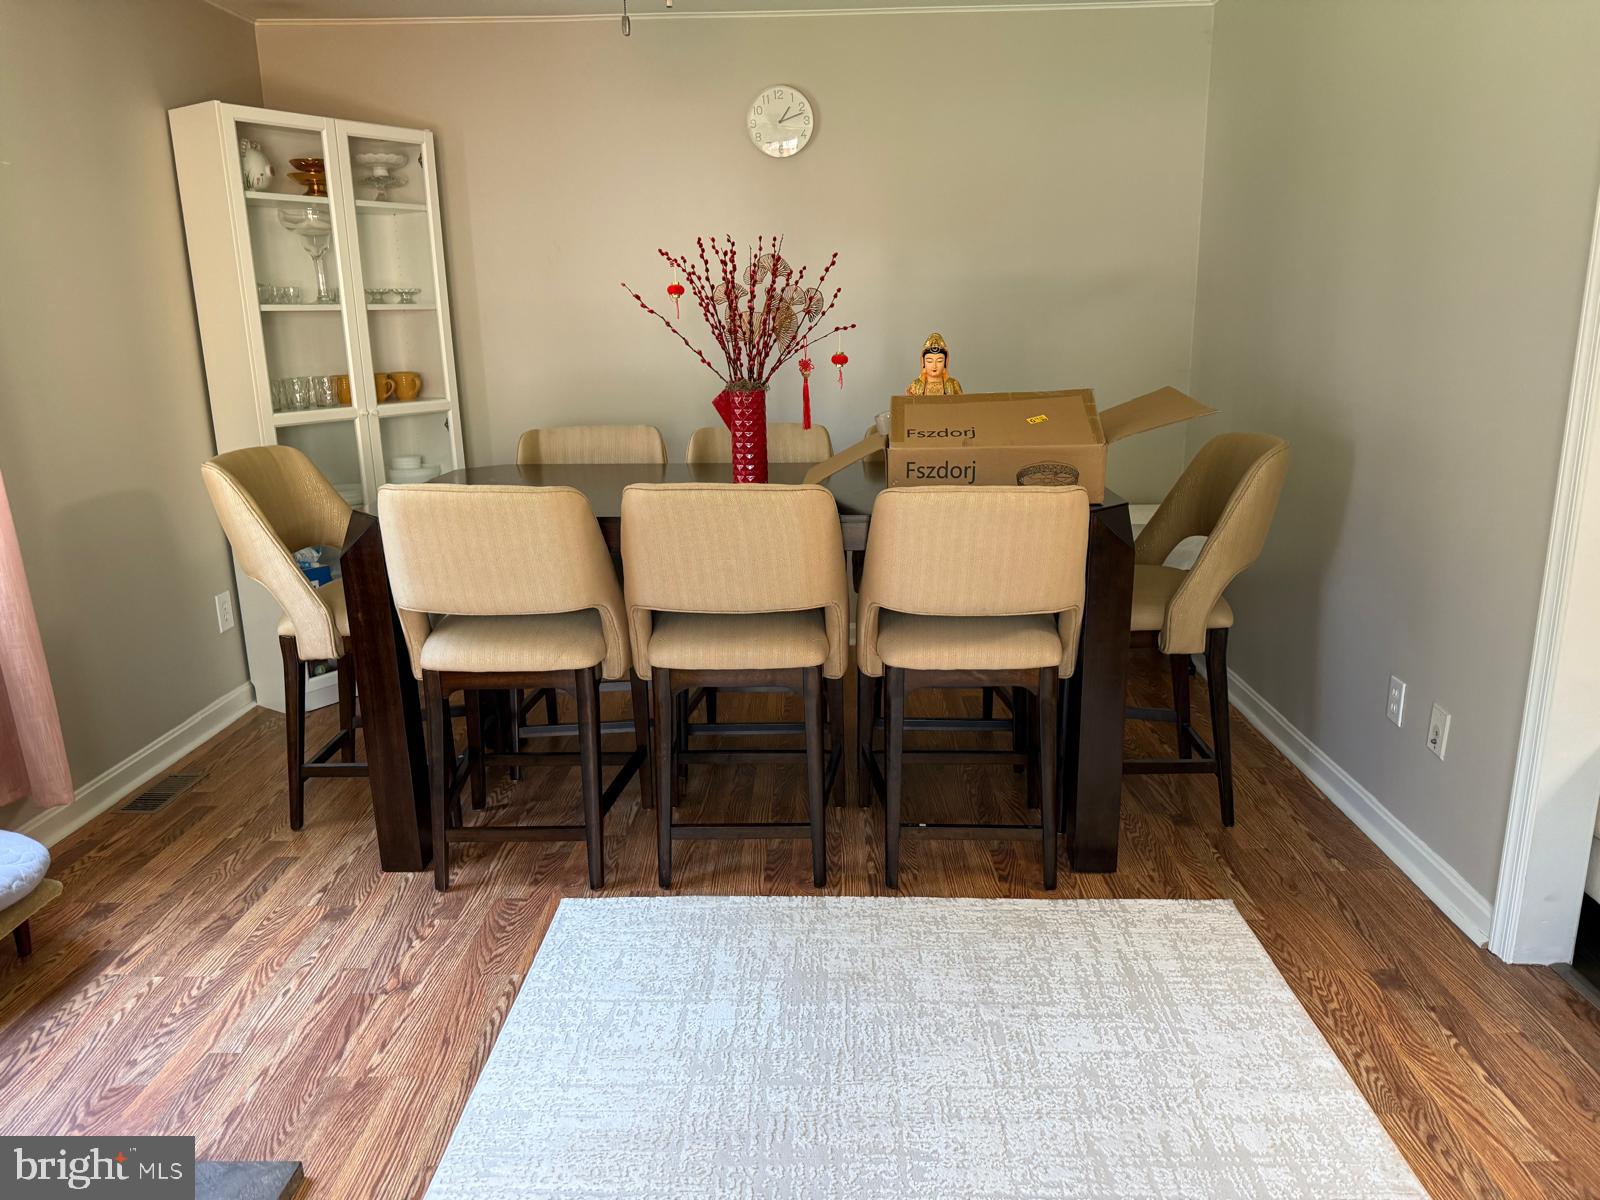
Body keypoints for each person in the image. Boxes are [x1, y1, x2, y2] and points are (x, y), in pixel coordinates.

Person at [905, 331, 963, 395]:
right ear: (923, 362)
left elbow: (961, 401)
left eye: (939, 361)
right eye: (929, 361)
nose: (934, 366)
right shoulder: (915, 386)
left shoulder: (953, 385)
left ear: (945, 363)